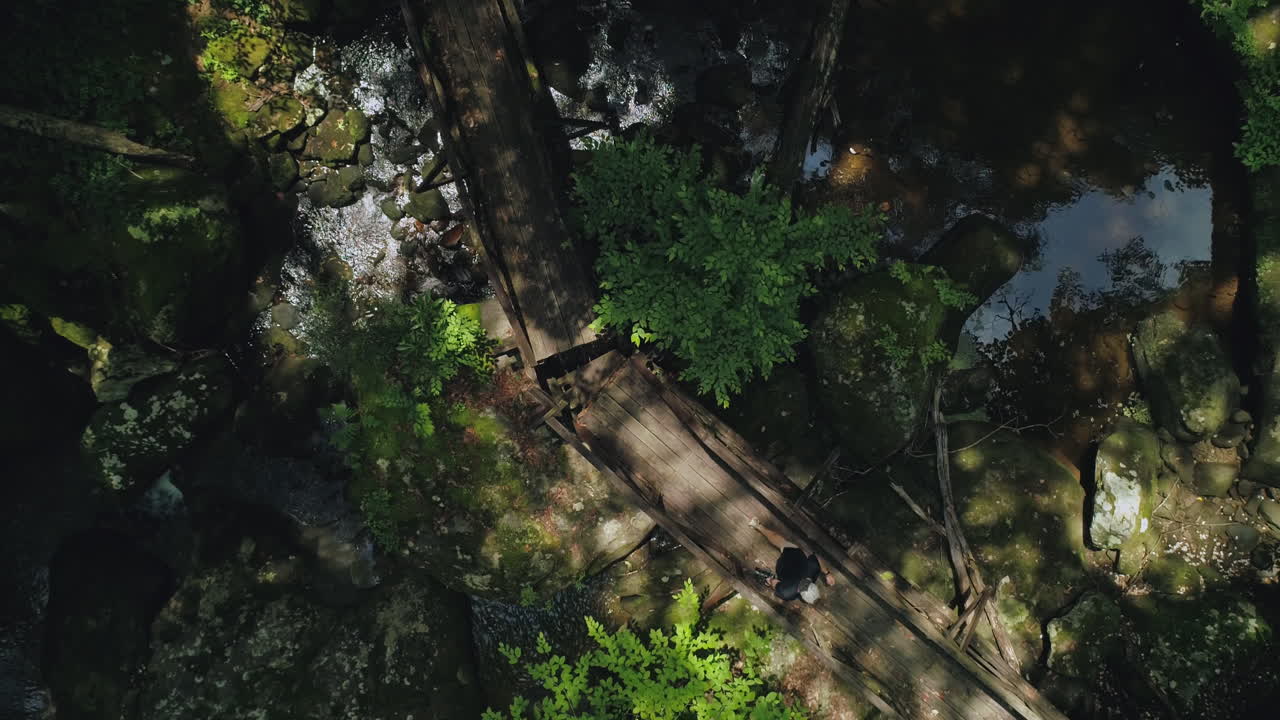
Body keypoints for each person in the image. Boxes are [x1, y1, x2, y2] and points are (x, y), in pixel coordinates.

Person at [750, 518, 834, 604]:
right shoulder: (787, 593)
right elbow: (774, 582)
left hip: (793, 555)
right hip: (782, 569)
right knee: (773, 579)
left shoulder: (812, 568)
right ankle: (757, 526)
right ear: (802, 597)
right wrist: (770, 581)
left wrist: (827, 573)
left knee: (781, 542)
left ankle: (758, 526)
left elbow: (817, 560)